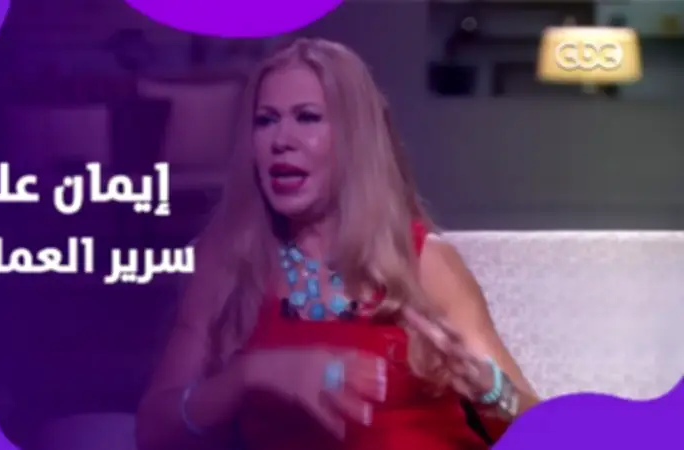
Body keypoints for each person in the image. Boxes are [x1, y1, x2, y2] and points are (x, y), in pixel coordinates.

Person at [136, 38, 540, 450]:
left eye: (307, 117)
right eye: (266, 120)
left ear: (355, 138)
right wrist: (250, 374)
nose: (281, 140)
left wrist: (491, 390)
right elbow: (152, 433)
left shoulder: (425, 264)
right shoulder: (227, 263)